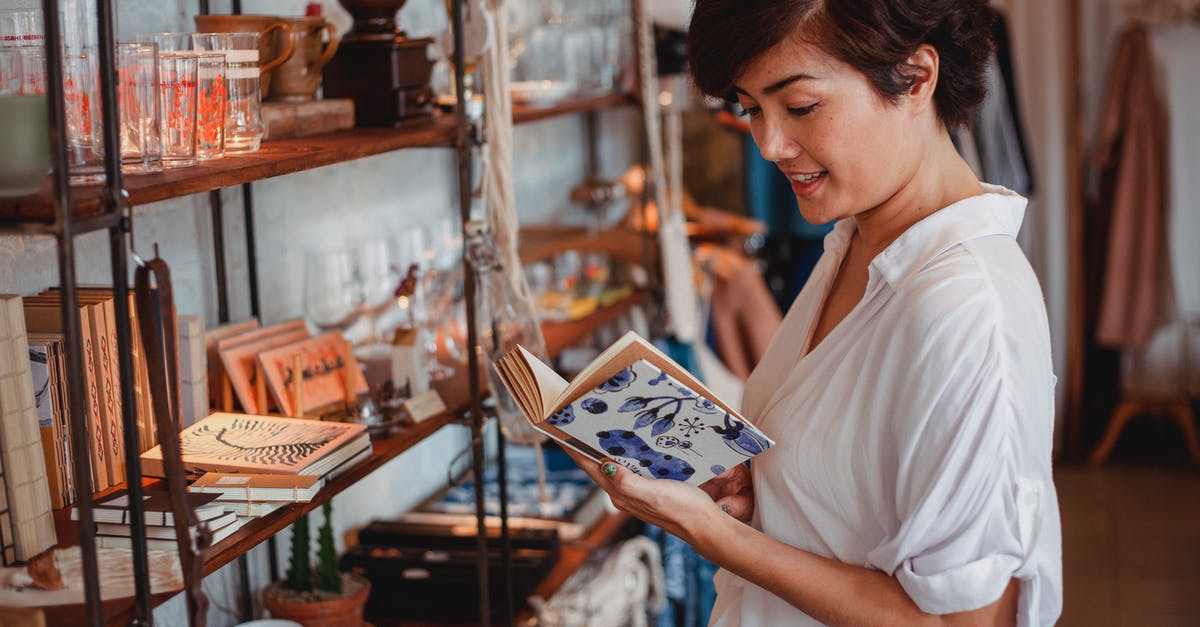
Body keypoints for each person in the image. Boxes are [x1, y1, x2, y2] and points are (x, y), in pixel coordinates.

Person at [564, 1, 1063, 625]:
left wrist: (709, 532)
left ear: (914, 77)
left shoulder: (962, 310)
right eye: (750, 108)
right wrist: (755, 485)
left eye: (799, 106)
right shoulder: (855, 241)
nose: (770, 144)